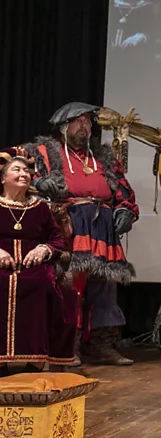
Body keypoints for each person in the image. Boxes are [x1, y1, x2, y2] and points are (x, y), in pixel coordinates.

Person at [31, 103, 139, 367]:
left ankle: (101, 347)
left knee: (104, 287)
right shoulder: (45, 153)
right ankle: (68, 347)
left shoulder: (103, 158)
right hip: (69, 226)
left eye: (87, 121)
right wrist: (38, 183)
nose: (84, 126)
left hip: (103, 228)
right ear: (63, 126)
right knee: (71, 285)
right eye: (77, 121)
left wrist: (126, 210)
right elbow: (21, 178)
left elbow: (124, 191)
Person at [0, 147, 75, 375]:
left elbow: (58, 240)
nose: (23, 174)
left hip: (34, 269)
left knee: (43, 285)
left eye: (26, 170)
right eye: (16, 170)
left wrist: (44, 248)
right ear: (3, 177)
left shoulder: (40, 208)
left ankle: (36, 359)